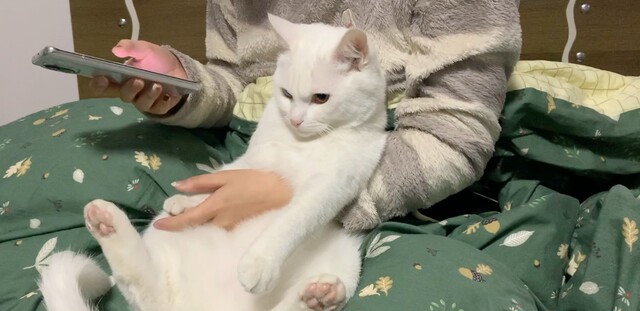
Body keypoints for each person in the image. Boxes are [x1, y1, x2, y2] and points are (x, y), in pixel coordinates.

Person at [90, 1, 522, 231]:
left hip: (390, 182)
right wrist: (180, 84)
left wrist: (293, 199)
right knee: (87, 151)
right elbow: (239, 84)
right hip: (263, 152)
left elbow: (452, 136)